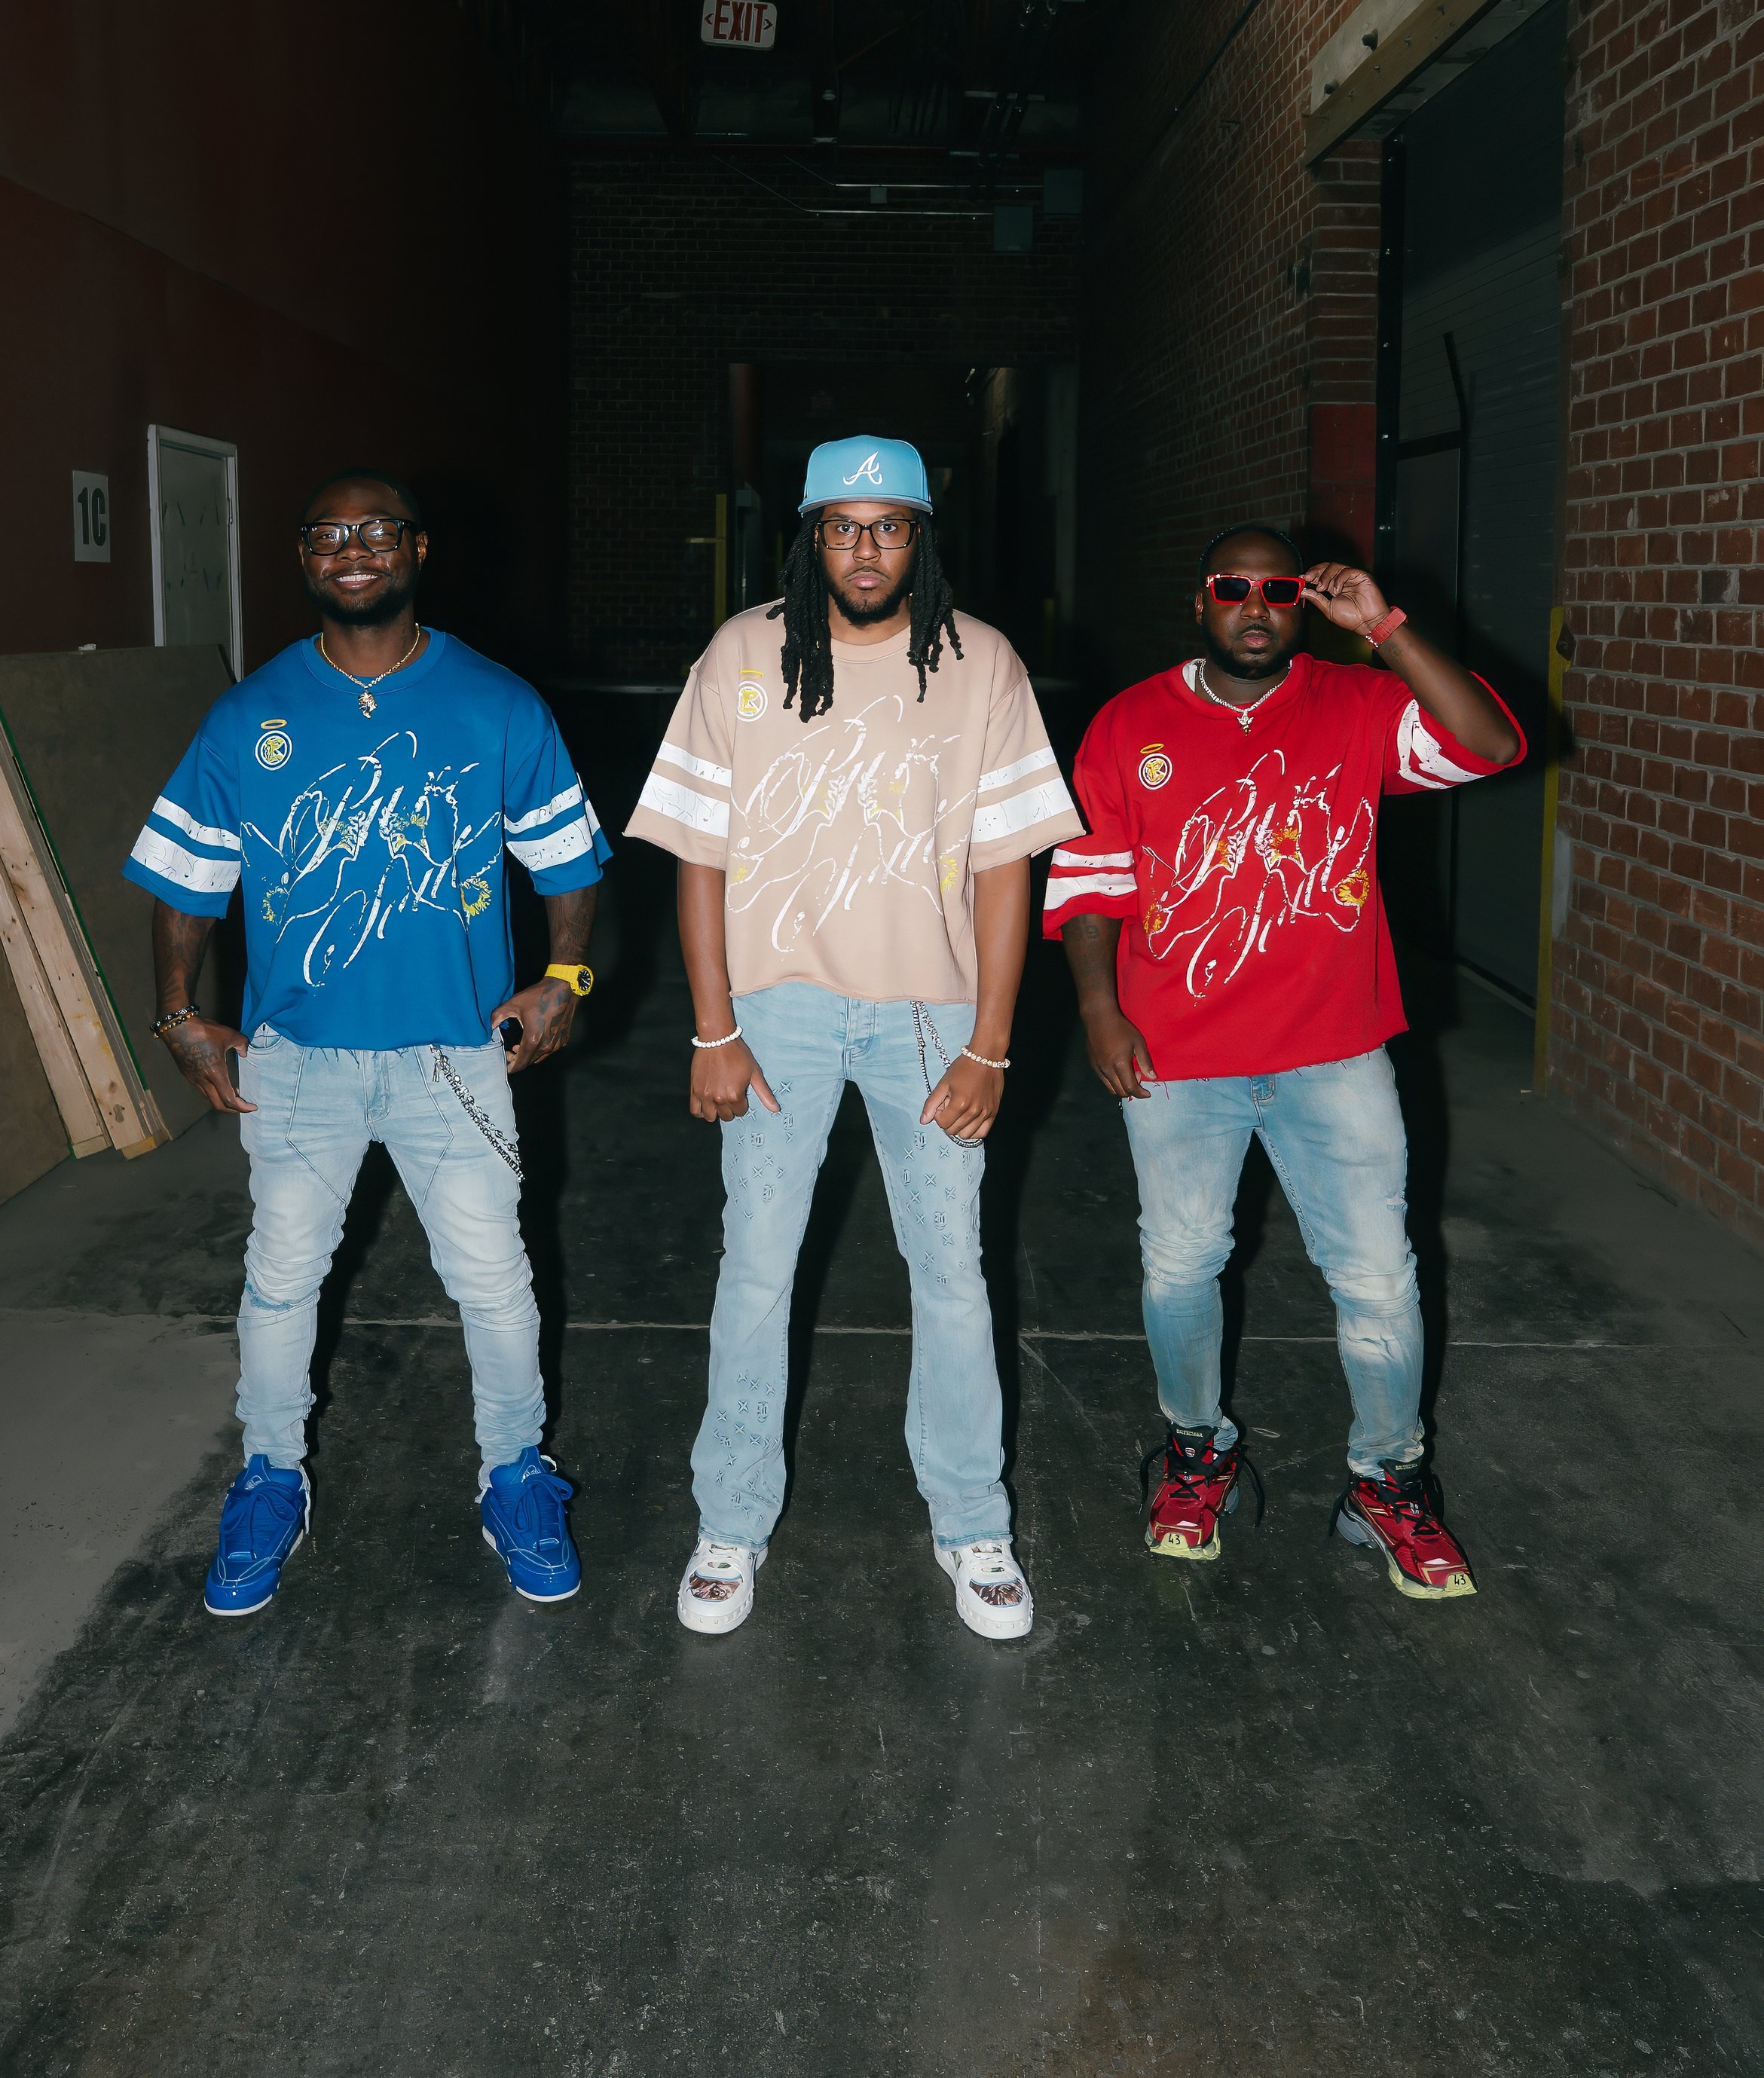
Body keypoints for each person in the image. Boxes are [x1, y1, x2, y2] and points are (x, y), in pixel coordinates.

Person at [125, 469, 610, 1620]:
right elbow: (189, 876)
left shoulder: (495, 703)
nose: (354, 549)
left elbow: (568, 860)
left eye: (377, 531)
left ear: (419, 550)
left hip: (455, 1057)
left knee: (494, 1284)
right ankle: (270, 1476)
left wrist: (565, 976)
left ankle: (513, 1475)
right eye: (329, 535)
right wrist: (179, 1012)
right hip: (300, 1061)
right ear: (303, 559)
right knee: (282, 1281)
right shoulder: (249, 717)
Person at [627, 437, 1081, 1642]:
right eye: (843, 525)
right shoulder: (741, 653)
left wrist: (990, 1045)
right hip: (776, 1008)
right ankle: (730, 1520)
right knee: (756, 1273)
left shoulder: (981, 663)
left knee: (953, 1276)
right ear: (810, 533)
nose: (866, 548)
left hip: (931, 1016)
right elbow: (697, 856)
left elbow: (1006, 866)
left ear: (922, 535)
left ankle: (972, 1520)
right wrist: (711, 1027)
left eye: (889, 526)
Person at [1044, 526, 1524, 1603]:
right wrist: (1097, 1009)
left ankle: (1387, 1480)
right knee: (1180, 1266)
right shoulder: (1130, 723)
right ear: (1199, 602)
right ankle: (1197, 1451)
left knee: (1377, 1280)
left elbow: (1488, 744)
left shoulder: (1355, 701)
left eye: (1276, 591)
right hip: (1179, 1051)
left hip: (1334, 1050)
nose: (1254, 608)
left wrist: (1386, 629)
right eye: (1233, 589)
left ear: (1302, 605)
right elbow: (1089, 881)